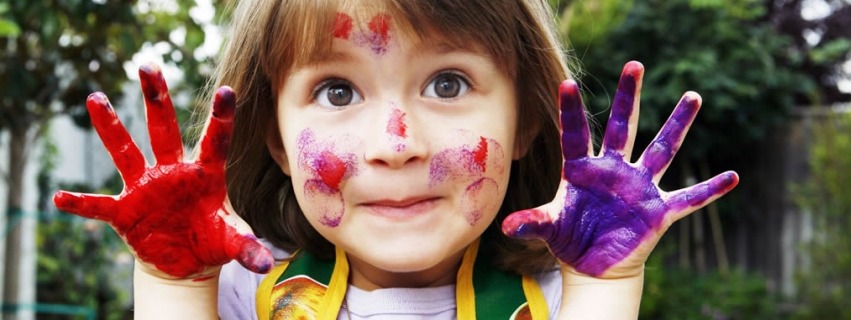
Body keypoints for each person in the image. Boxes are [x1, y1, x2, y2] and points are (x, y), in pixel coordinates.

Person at [53, 0, 739, 319]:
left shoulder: (560, 305)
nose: (395, 142)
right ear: (276, 140)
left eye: (448, 83)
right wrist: (172, 284)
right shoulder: (235, 299)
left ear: (528, 122)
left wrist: (607, 284)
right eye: (337, 90)